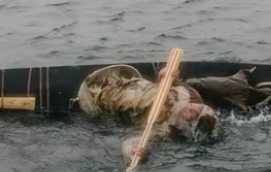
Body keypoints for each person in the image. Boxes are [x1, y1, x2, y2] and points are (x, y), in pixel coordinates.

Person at [76, 65, 221, 160]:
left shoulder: (164, 129)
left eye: (195, 114)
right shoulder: (189, 95)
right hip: (123, 78)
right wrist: (167, 74)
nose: (193, 107)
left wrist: (131, 151)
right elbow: (167, 81)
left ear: (191, 126)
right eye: (199, 107)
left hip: (96, 97)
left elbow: (134, 140)